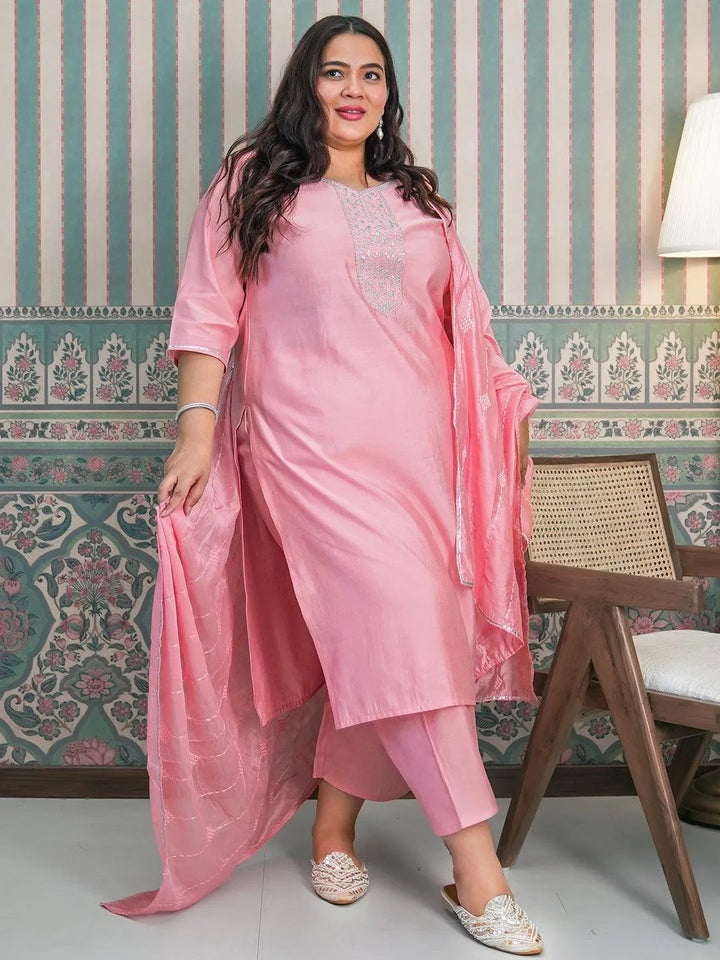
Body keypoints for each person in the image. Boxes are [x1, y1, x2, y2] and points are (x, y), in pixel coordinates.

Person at [104, 15, 542, 955]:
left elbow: (465, 334)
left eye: (372, 75)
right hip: (307, 448)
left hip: (419, 460)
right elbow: (208, 309)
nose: (354, 89)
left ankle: (333, 829)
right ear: (306, 85)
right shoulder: (254, 182)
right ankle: (478, 872)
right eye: (335, 72)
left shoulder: (419, 203)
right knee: (401, 633)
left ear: (388, 94)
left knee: (389, 639)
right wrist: (193, 430)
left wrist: (510, 415)